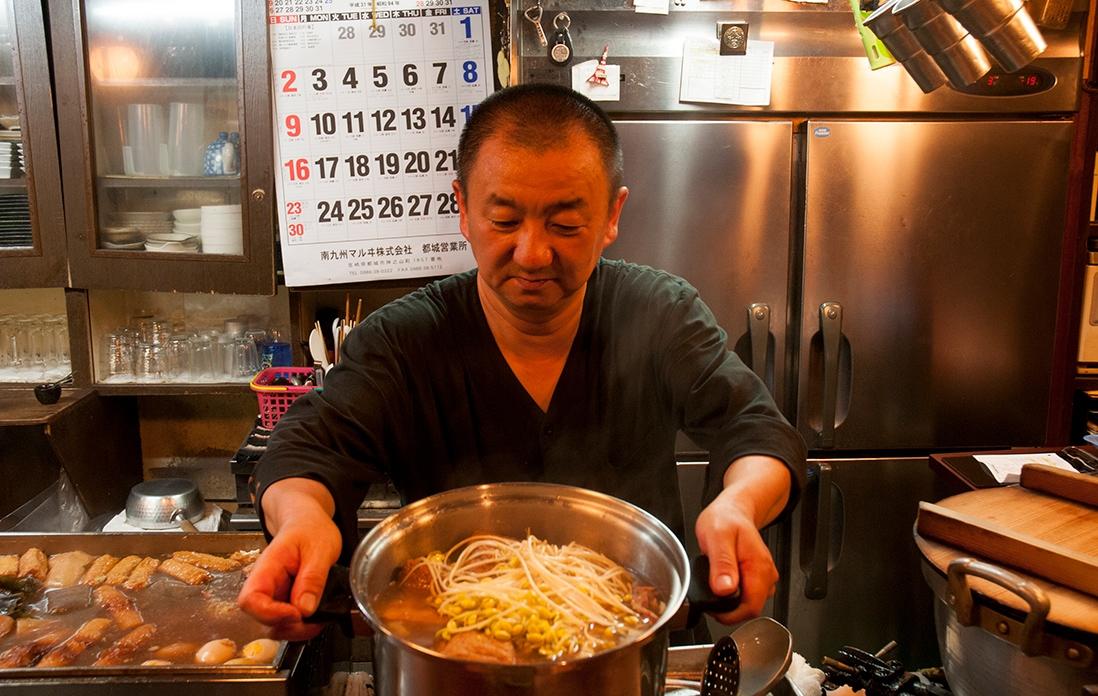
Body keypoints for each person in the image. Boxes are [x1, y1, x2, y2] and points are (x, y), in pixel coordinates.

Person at [238, 83, 807, 642]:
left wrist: (738, 505)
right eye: (504, 221)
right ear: (462, 209)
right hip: (456, 648)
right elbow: (308, 448)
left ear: (613, 213)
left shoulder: (660, 313)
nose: (533, 254)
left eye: (564, 224)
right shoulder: (405, 340)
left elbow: (755, 430)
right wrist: (302, 518)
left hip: (631, 644)